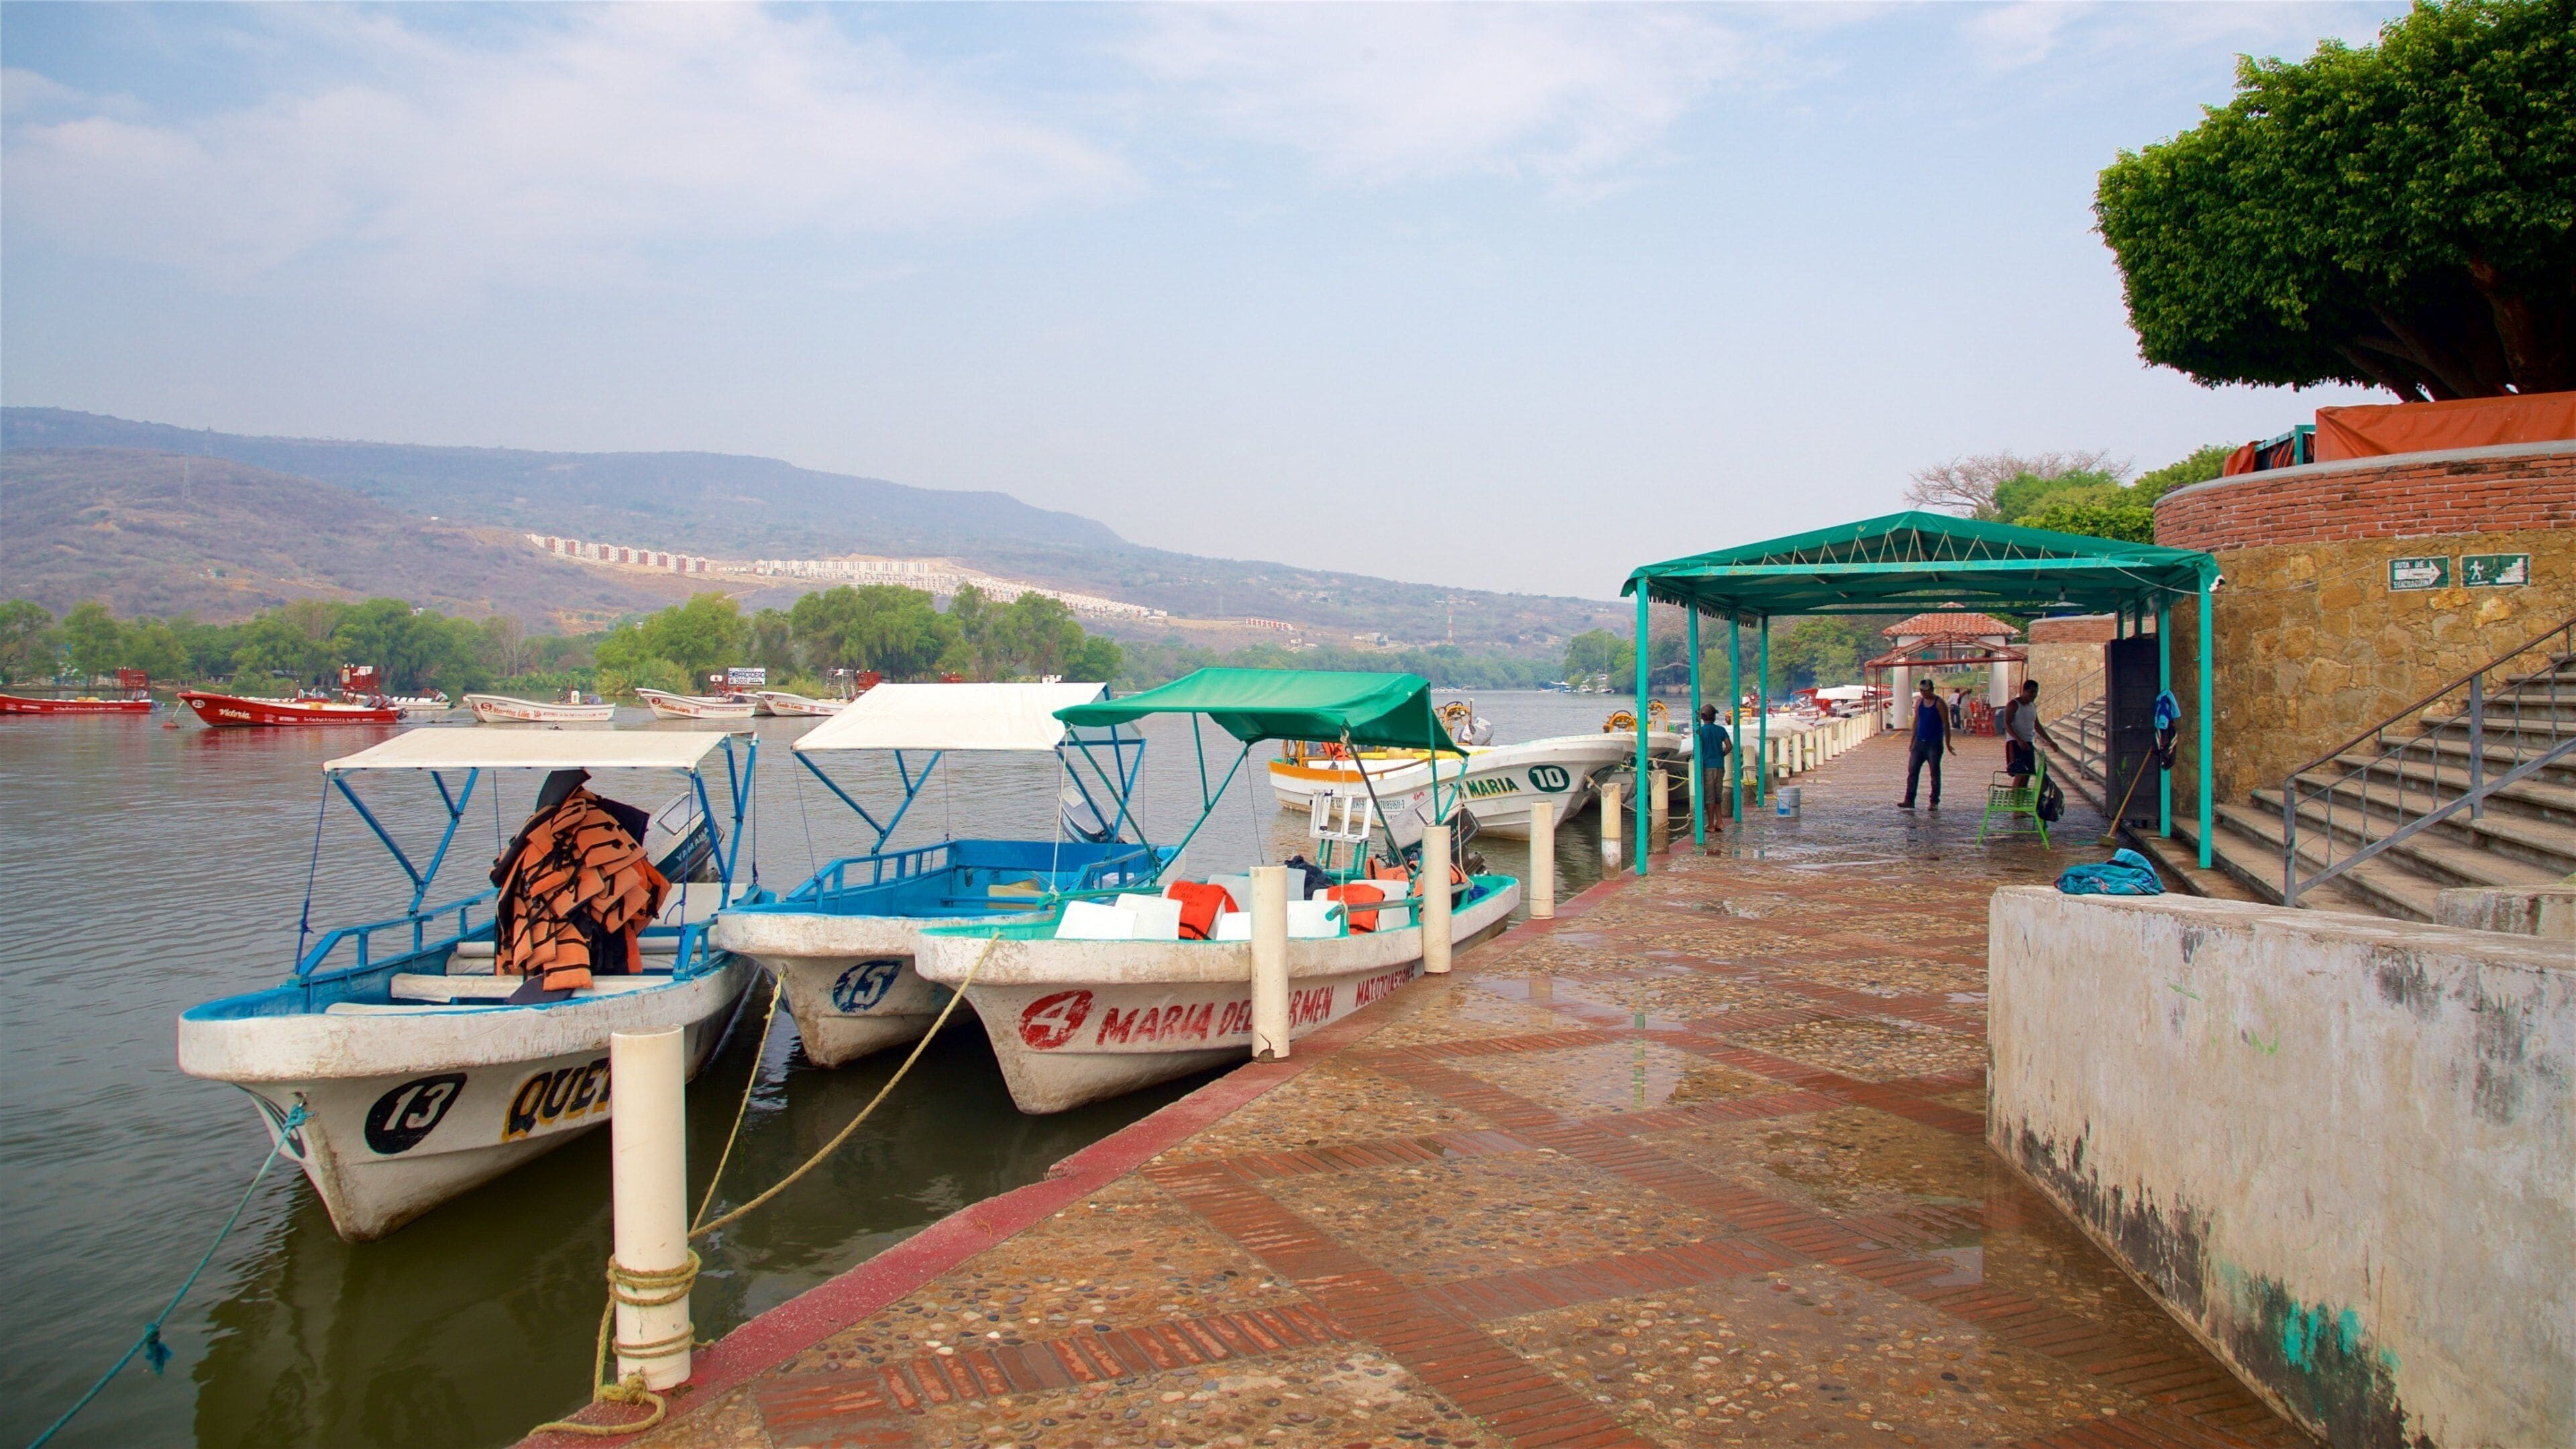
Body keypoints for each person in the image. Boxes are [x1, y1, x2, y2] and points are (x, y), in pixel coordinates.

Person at [1899, 677, 1955, 809]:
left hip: (1934, 743)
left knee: (1934, 772)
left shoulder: (1939, 703)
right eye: (1921, 691)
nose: (1923, 693)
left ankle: (1934, 801)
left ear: (1931, 690)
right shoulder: (1919, 703)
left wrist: (1947, 742)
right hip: (1919, 742)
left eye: (1925, 691)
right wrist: (1912, 740)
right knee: (1913, 771)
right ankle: (1909, 799)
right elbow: (1916, 721)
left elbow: (1946, 723)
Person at [1997, 678, 2056, 786]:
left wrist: (2050, 741)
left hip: (2028, 742)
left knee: (2028, 773)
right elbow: (2007, 724)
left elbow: (2037, 725)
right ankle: (2015, 799)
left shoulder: (2032, 706)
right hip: (2015, 743)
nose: (2034, 695)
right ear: (2024, 690)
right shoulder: (2013, 705)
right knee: (2020, 773)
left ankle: (2020, 798)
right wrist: (2019, 740)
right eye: (2031, 692)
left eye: (2035, 693)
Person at [1695, 704, 1733, 826]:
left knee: (1709, 797)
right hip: (1720, 766)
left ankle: (1711, 824)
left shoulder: (1700, 732)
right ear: (1714, 717)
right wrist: (1721, 754)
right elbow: (1729, 746)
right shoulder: (1721, 730)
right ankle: (1720, 821)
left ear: (1702, 717)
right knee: (1718, 795)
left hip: (1707, 766)